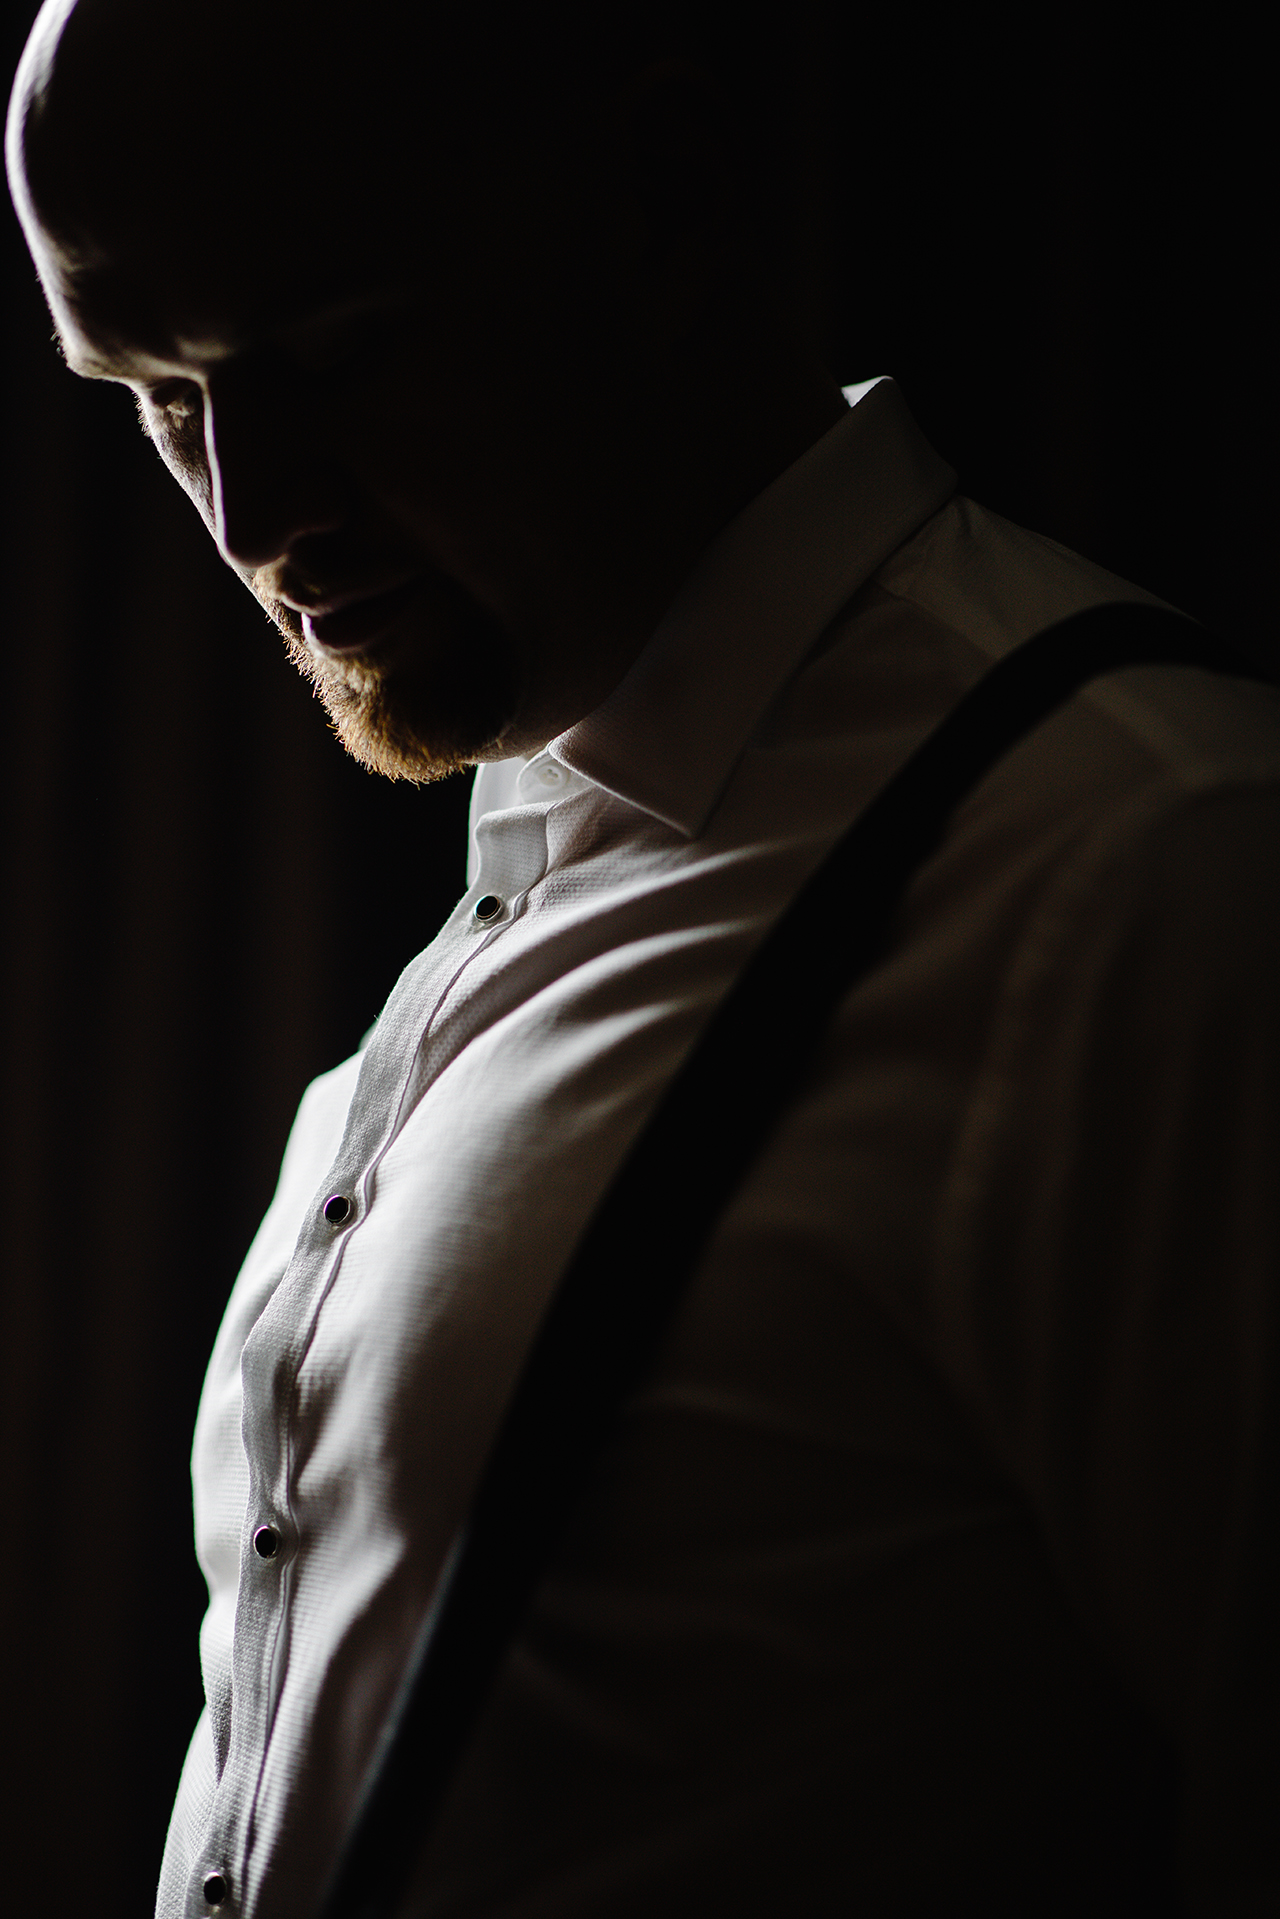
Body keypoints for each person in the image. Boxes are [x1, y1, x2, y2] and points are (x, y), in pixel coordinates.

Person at [8, 0, 1279, 1913]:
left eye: (336, 351)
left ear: (666, 197)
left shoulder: (1153, 877)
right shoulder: (526, 880)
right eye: (160, 397)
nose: (255, 517)